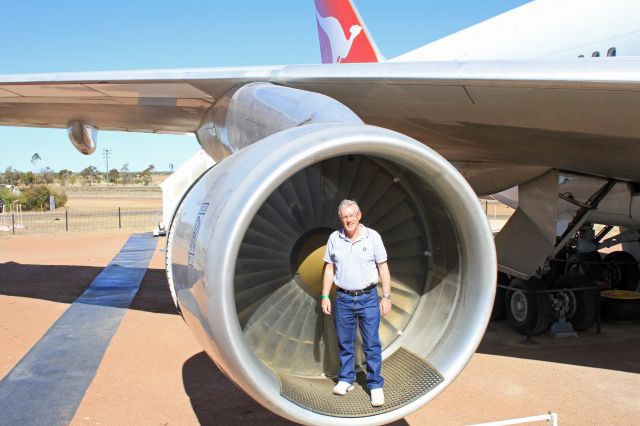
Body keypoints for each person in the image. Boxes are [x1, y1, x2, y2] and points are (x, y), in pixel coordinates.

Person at [321, 199, 392, 407]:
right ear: (341, 218)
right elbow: (329, 269)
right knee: (345, 342)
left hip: (368, 297)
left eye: (351, 215)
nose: (348, 220)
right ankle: (346, 379)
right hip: (343, 297)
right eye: (344, 217)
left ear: (359, 215)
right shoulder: (335, 238)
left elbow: (383, 268)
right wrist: (325, 296)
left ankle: (375, 384)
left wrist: (386, 297)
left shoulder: (373, 237)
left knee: (371, 343)